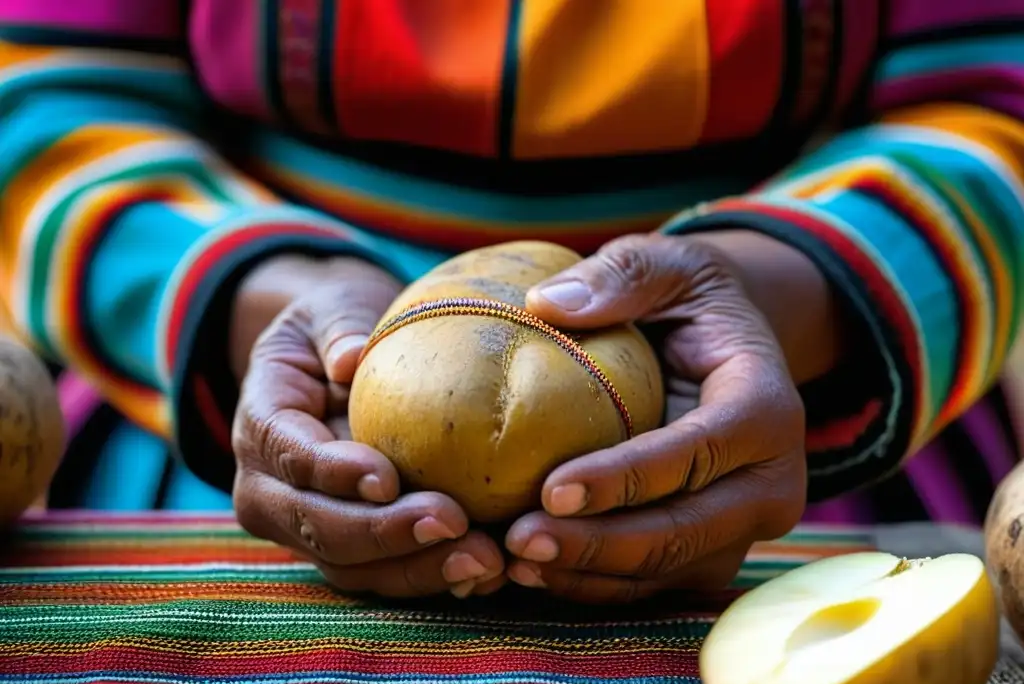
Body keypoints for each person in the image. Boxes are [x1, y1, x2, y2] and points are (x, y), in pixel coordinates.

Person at [1, 1, 1022, 603]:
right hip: (253, 430)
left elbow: (993, 101)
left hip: (787, 432)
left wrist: (769, 289)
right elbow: (43, 93)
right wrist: (269, 298)